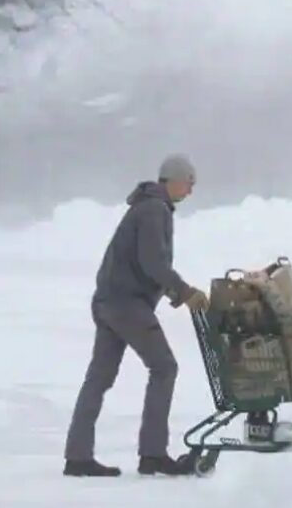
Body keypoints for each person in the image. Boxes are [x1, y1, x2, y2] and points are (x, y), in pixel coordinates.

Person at [63, 154, 210, 477]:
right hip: (126, 304)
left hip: (108, 301)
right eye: (189, 183)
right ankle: (153, 453)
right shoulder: (155, 210)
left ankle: (78, 457)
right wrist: (185, 293)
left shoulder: (145, 207)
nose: (190, 191)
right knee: (164, 367)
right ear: (172, 179)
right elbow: (153, 263)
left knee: (98, 379)